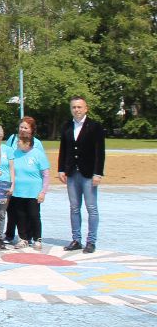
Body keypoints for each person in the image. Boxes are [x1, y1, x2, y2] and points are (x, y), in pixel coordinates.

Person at [58, 96, 105, 254]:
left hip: (89, 173)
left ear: (86, 108)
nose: (76, 110)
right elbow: (63, 149)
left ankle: (91, 241)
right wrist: (61, 169)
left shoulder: (95, 127)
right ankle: (76, 239)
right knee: (74, 207)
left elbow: (100, 152)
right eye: (74, 107)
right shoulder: (67, 126)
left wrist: (98, 173)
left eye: (79, 107)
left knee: (91, 208)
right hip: (72, 172)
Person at [9, 117, 49, 250]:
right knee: (20, 215)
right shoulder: (15, 152)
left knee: (34, 215)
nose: (18, 143)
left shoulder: (37, 152)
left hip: (33, 192)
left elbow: (45, 174)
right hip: (18, 191)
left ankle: (37, 238)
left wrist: (43, 192)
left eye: (20, 142)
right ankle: (23, 238)